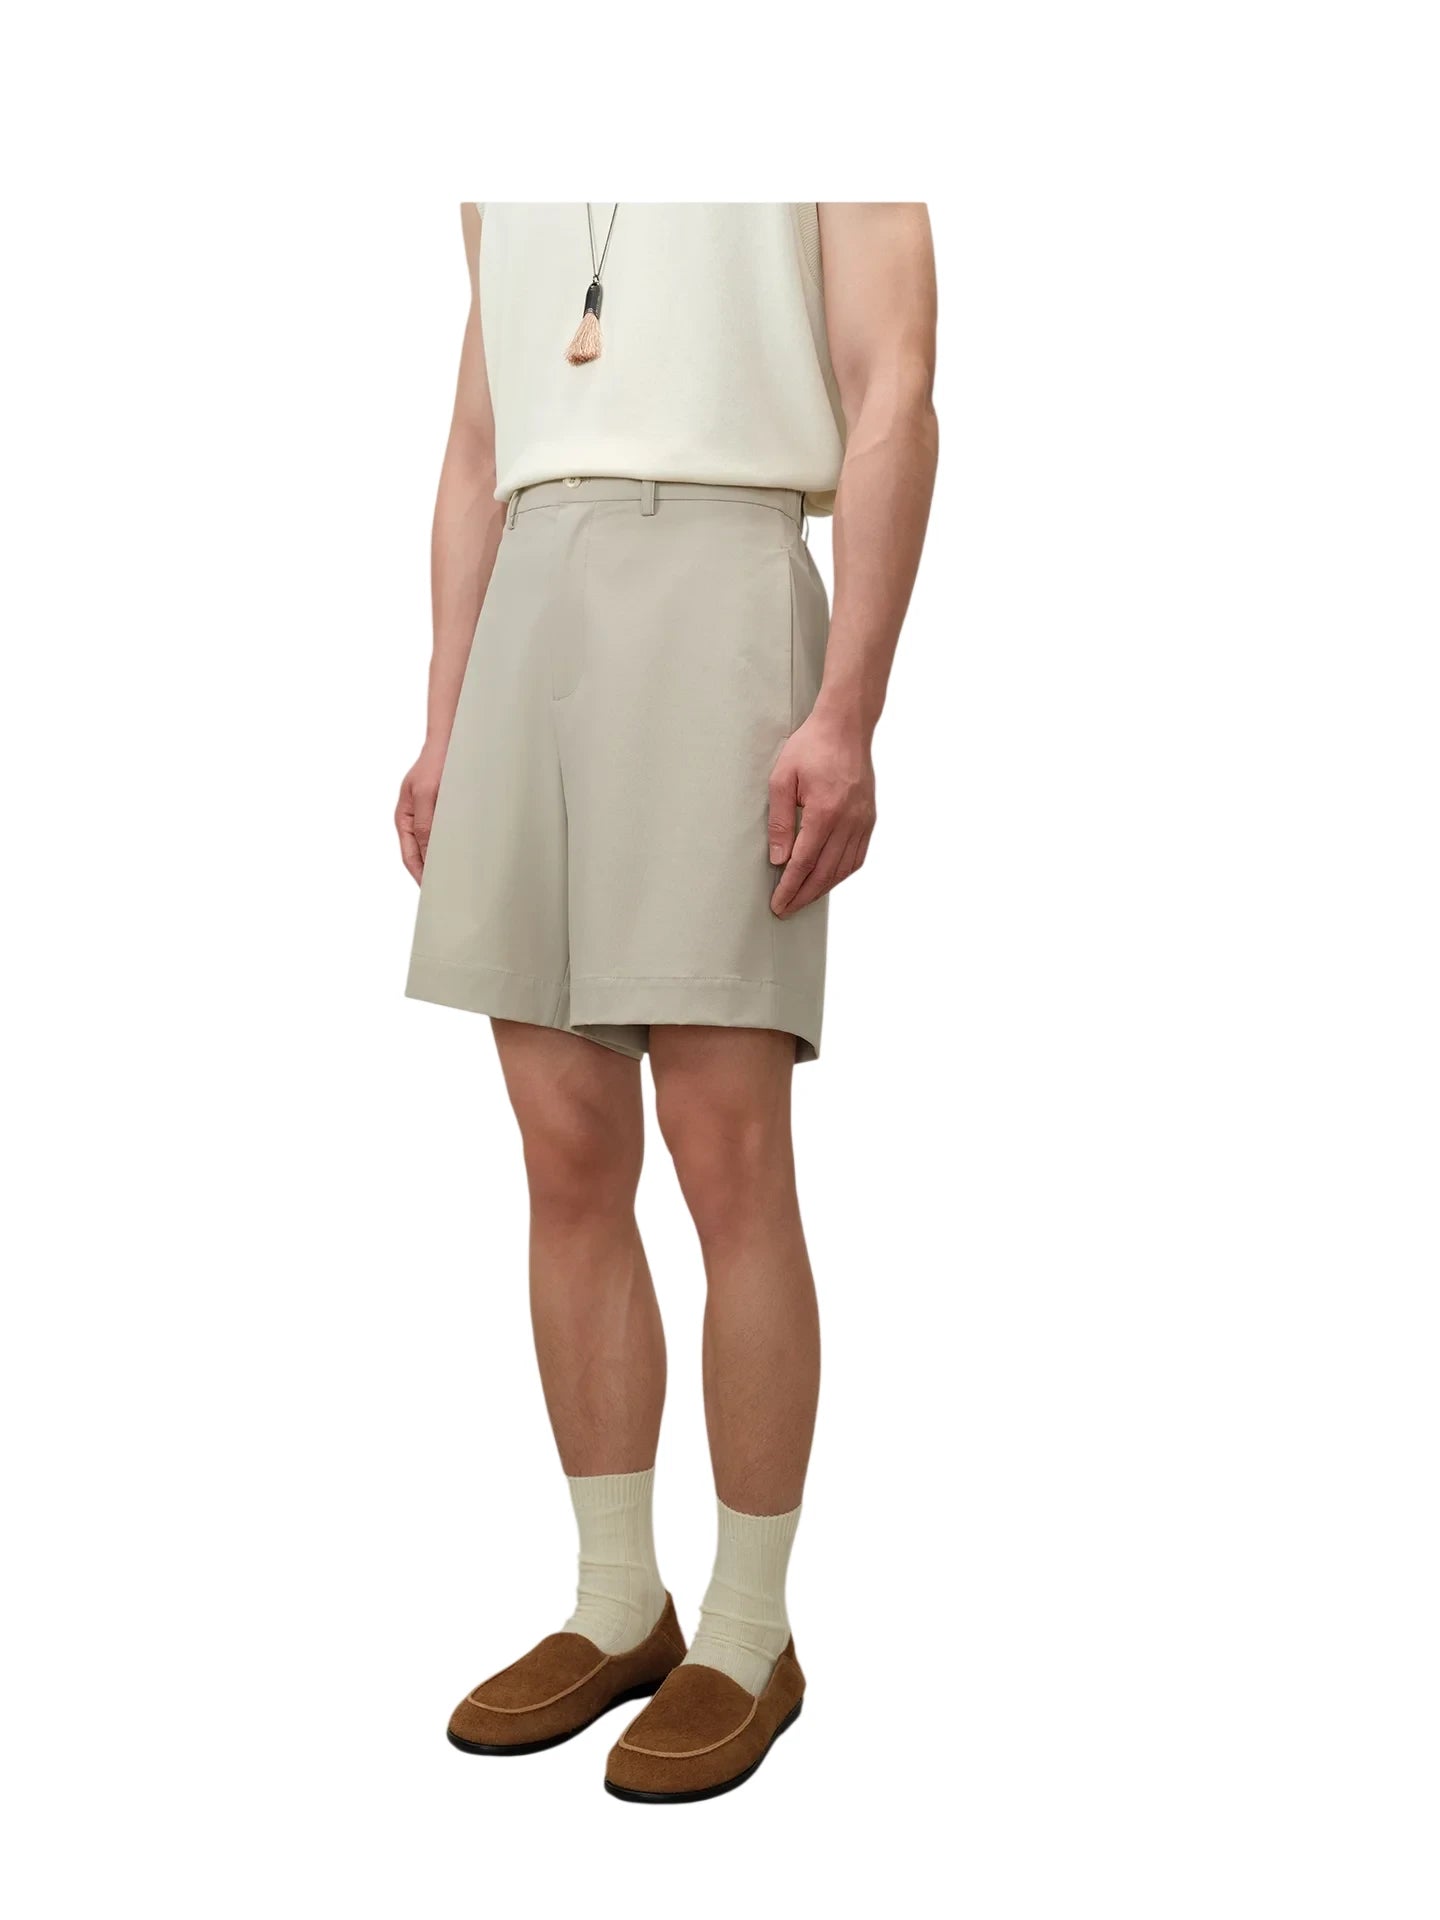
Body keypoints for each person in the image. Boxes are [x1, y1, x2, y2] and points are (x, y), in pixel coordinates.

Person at [398, 202, 937, 1802]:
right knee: (563, 1152)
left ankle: (750, 1630)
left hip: (722, 572)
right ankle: (616, 1602)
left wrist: (849, 707)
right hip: (530, 593)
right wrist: (444, 713)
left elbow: (896, 385)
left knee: (727, 1150)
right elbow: (477, 437)